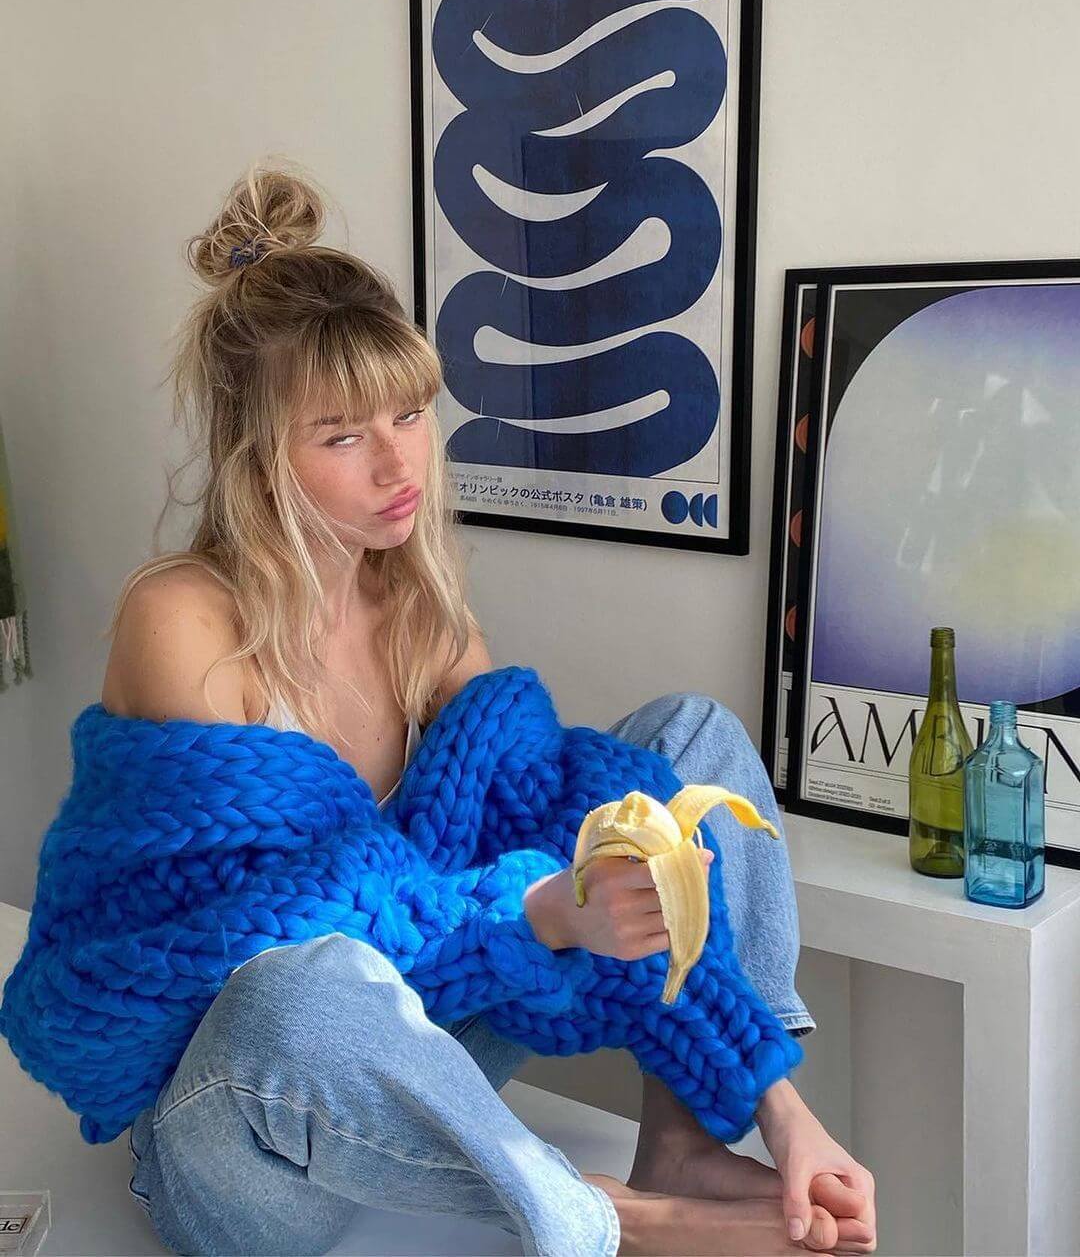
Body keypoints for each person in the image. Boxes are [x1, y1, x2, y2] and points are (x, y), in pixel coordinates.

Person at [104, 159, 876, 1256]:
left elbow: (544, 825)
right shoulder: (181, 620)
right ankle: (617, 1218)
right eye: (342, 434)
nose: (398, 463)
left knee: (685, 748)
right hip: (241, 1125)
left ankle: (697, 1136)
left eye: (411, 414)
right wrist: (548, 909)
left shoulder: (424, 615)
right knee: (309, 982)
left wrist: (781, 1109)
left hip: (417, 1056)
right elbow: (282, 945)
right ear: (256, 450)